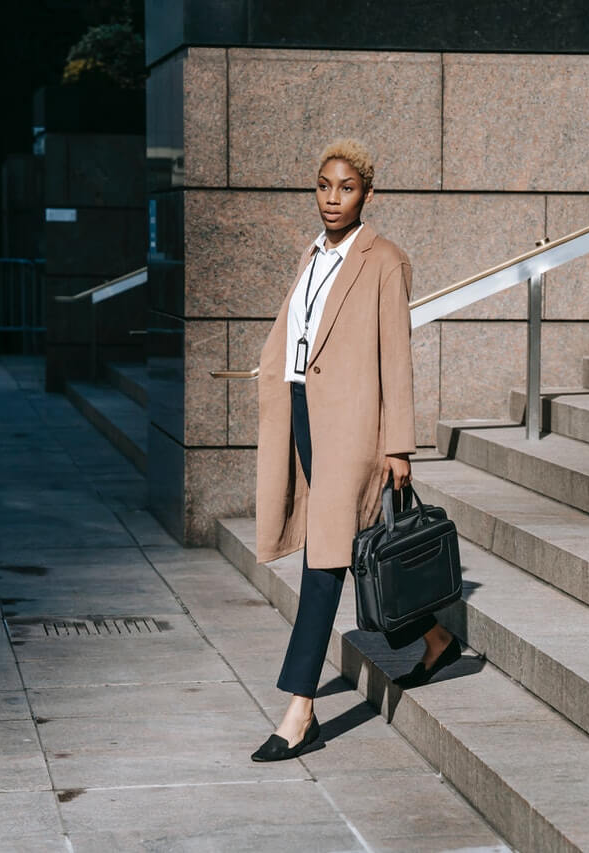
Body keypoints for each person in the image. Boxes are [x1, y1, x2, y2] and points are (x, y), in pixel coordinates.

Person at [250, 139, 460, 763]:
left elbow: (396, 357)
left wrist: (398, 445)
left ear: (368, 193)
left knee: (325, 563)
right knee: (351, 549)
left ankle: (299, 710)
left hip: (353, 430)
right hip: (304, 418)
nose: (332, 198)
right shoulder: (312, 256)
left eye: (345, 188)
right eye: (323, 186)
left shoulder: (384, 260)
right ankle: (435, 638)